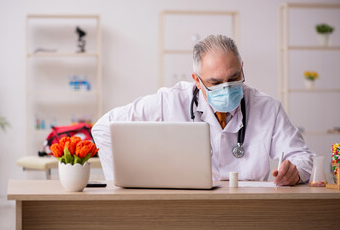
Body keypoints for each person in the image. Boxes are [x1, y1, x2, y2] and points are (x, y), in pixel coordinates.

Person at [92, 35, 315, 186]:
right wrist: (123, 182)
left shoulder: (267, 108)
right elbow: (103, 129)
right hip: (185, 209)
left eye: (234, 77)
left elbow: (303, 157)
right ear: (197, 81)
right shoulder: (169, 102)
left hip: (249, 210)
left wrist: (295, 172)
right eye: (215, 82)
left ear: (242, 68)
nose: (227, 88)